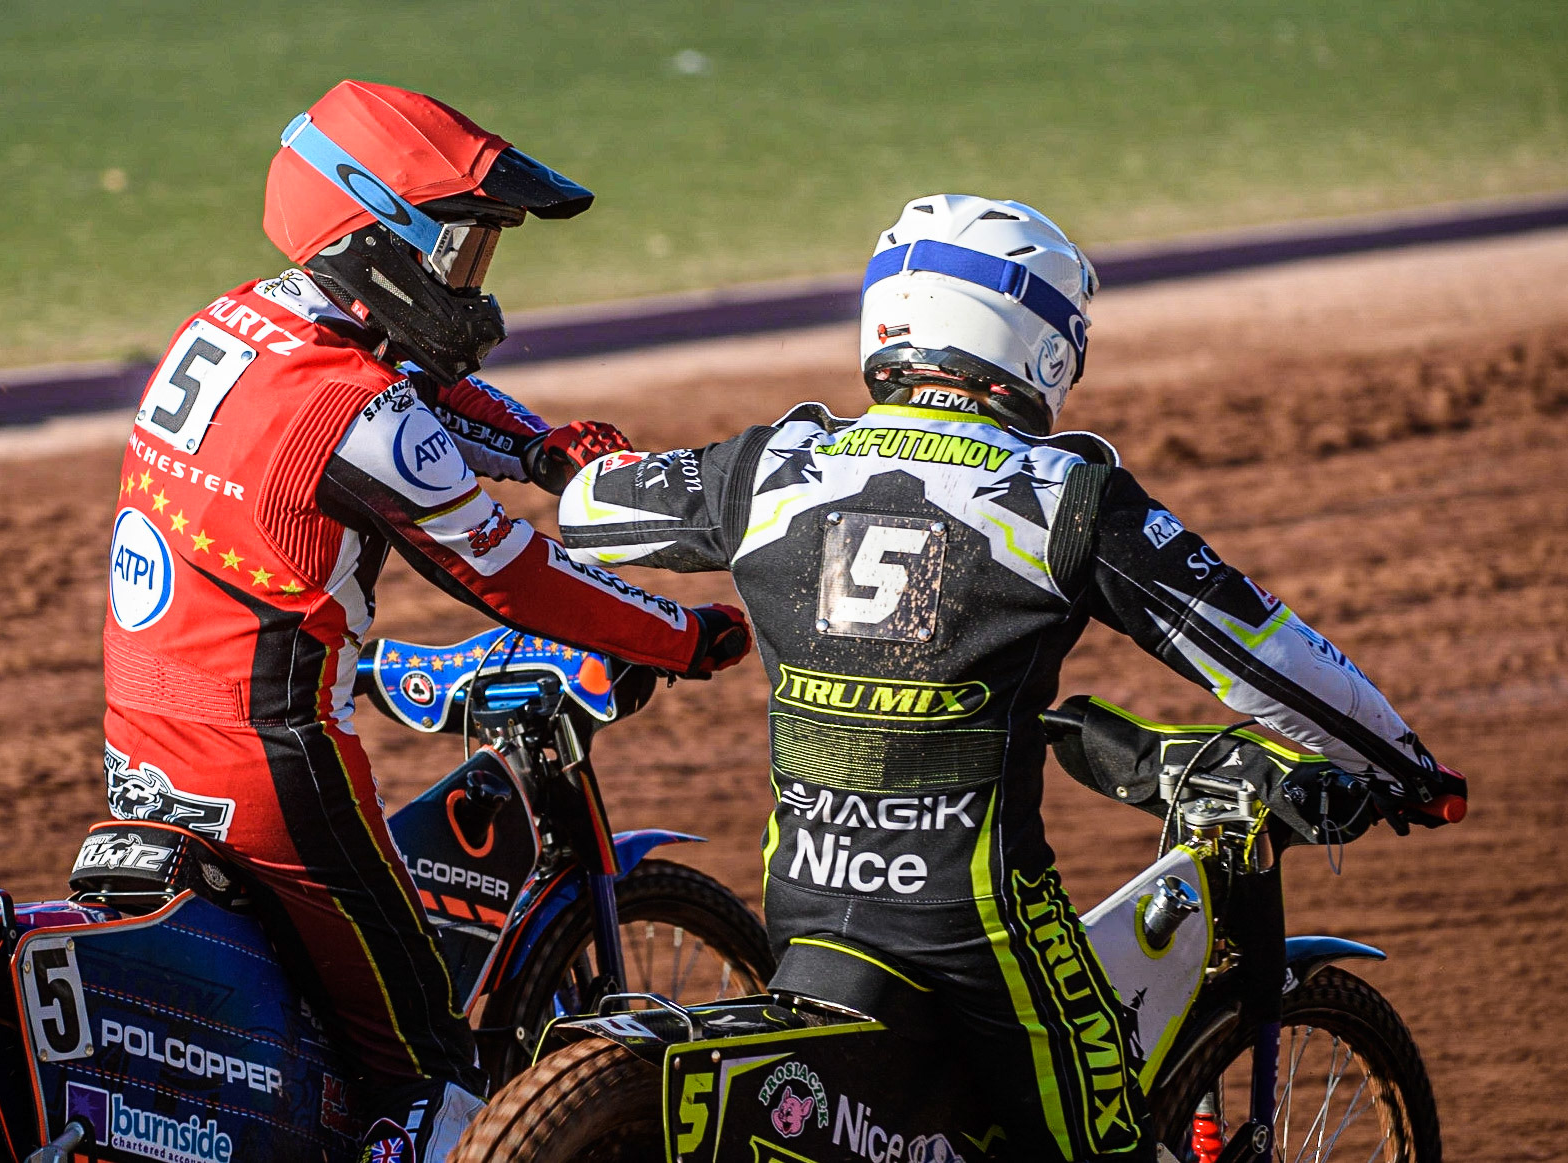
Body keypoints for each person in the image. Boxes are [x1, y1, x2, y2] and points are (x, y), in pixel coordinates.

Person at [555, 194, 1465, 1162]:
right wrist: (1408, 768)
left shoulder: (769, 463)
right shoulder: (1064, 496)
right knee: (1099, 1143)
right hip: (975, 925)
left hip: (805, 894)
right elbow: (1264, 654)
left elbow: (587, 508)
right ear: (1040, 338)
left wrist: (597, 454)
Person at [100, 80, 750, 1160]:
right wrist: (679, 635)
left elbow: (406, 399)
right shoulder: (354, 412)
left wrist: (543, 448)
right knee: (428, 1062)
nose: (471, 281)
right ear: (373, 237)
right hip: (274, 762)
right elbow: (512, 574)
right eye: (456, 250)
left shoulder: (234, 322)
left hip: (144, 734)